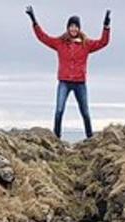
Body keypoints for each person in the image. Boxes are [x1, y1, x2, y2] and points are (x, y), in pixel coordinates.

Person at [25, 6, 111, 140]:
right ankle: (56, 138)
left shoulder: (86, 44)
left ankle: (90, 138)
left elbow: (103, 42)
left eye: (76, 26)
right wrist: (34, 21)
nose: (74, 29)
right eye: (71, 26)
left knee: (85, 112)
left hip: (80, 83)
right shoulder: (60, 43)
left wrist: (106, 26)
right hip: (64, 81)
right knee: (59, 110)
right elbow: (43, 38)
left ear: (79, 28)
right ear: (68, 28)